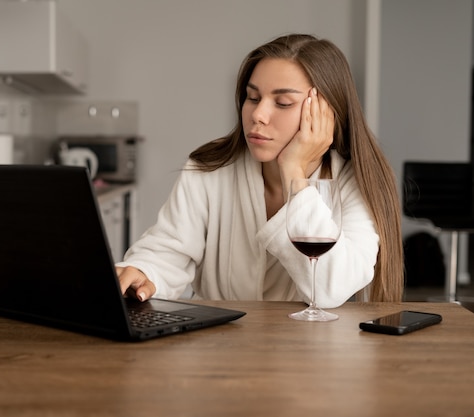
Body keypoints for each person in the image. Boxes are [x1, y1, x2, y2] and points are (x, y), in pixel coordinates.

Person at [115, 33, 404, 308]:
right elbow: (167, 252)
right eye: (253, 98)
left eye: (283, 103)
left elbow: (331, 288)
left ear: (326, 113)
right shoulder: (209, 169)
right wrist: (142, 271)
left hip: (314, 353)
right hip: (220, 347)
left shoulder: (354, 182)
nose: (258, 115)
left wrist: (294, 172)